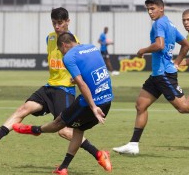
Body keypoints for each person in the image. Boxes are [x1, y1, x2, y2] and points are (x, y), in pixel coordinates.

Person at [0, 7, 101, 162]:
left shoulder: (74, 43)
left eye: (60, 23)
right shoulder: (50, 38)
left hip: (64, 90)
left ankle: (99, 154)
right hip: (49, 87)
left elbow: (83, 66)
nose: (56, 26)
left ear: (68, 21)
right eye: (54, 23)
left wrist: (77, 78)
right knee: (23, 109)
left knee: (64, 131)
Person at [112, 0, 189, 155]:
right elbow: (186, 45)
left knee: (183, 106)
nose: (150, 12)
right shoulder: (170, 24)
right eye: (148, 10)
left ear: (161, 8)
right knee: (140, 105)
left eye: (152, 9)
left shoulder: (159, 24)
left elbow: (159, 45)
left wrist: (143, 50)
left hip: (164, 74)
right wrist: (178, 62)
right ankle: (133, 144)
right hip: (157, 75)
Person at [12, 32, 113, 174]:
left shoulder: (69, 57)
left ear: (64, 45)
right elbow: (98, 71)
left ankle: (34, 130)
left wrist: (93, 107)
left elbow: (82, 85)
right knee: (78, 130)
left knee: (59, 124)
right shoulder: (92, 48)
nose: (60, 53)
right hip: (107, 99)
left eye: (60, 50)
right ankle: (63, 168)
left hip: (91, 103)